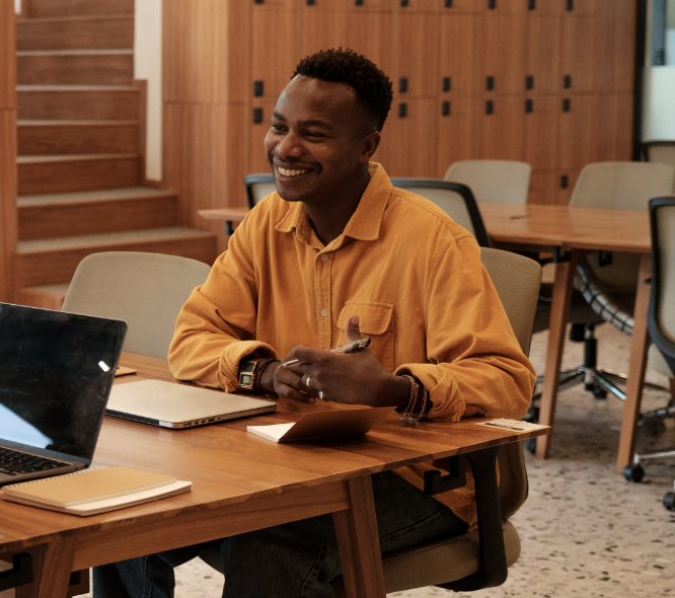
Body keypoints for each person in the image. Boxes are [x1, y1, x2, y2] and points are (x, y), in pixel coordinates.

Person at [92, 49, 535, 598]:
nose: (287, 148)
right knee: (128, 511)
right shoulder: (264, 224)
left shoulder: (433, 240)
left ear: (366, 147)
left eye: (315, 134)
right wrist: (266, 372)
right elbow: (192, 338)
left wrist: (396, 388)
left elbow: (508, 380)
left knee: (270, 537)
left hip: (417, 483)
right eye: (279, 127)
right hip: (286, 461)